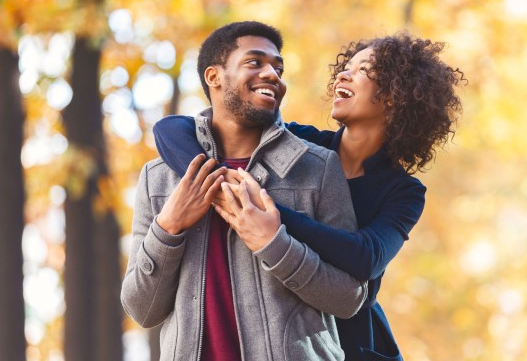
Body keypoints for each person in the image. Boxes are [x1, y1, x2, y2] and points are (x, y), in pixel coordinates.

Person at [154, 31, 464, 360]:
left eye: (364, 70)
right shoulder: (302, 147)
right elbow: (171, 129)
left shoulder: (404, 191)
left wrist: (266, 214)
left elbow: (367, 257)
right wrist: (219, 183)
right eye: (347, 66)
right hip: (285, 331)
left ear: (394, 97)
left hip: (353, 338)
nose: (344, 73)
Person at [121, 21, 368, 361]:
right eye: (255, 62)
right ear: (214, 76)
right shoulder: (159, 178)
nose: (272, 75)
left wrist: (274, 245)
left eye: (278, 68)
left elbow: (348, 298)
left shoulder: (317, 167)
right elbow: (141, 310)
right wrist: (168, 228)